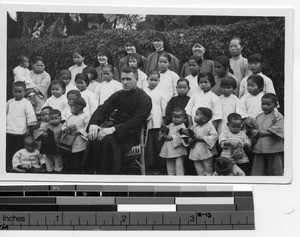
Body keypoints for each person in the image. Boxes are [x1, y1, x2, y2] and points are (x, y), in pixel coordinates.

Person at [82, 67, 152, 174]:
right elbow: (103, 108)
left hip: (131, 135)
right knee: (94, 137)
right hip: (115, 130)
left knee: (107, 141)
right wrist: (94, 123)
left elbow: (136, 122)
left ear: (137, 79)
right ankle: (92, 173)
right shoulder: (119, 95)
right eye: (123, 79)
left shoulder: (144, 99)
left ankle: (108, 175)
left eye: (128, 79)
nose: (124, 82)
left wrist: (112, 130)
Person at [6, 81, 37, 172]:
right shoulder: (10, 102)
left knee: (18, 150)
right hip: (8, 131)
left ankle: (19, 166)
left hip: (20, 132)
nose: (18, 94)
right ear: (12, 91)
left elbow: (31, 116)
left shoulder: (26, 103)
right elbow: (4, 113)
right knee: (8, 149)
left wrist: (29, 131)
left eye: (20, 91)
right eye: (15, 91)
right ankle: (8, 165)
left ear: (24, 92)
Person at [251, 93, 284, 176]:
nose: (265, 106)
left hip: (273, 148)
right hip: (259, 147)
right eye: (263, 104)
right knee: (258, 172)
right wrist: (253, 131)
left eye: (268, 104)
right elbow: (254, 129)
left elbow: (279, 130)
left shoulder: (278, 116)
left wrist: (262, 133)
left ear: (275, 105)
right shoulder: (258, 116)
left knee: (274, 172)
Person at [144, 71, 167, 170]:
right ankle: (149, 164)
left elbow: (164, 108)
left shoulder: (161, 93)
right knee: (147, 142)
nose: (153, 82)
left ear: (159, 81)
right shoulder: (143, 91)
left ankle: (160, 165)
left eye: (155, 80)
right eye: (151, 80)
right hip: (146, 121)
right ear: (147, 80)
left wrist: (163, 121)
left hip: (157, 120)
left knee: (157, 142)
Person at [62, 97, 90, 174]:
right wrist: (65, 129)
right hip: (69, 141)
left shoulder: (86, 117)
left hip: (80, 141)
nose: (70, 109)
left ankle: (79, 171)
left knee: (79, 157)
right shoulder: (70, 116)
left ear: (78, 108)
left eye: (71, 107)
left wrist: (79, 131)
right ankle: (70, 170)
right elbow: (65, 124)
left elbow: (87, 128)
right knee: (70, 157)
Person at [188, 107, 218, 176]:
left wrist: (202, 139)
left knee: (208, 167)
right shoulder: (194, 127)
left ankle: (209, 181)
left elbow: (214, 136)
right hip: (196, 150)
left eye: (197, 115)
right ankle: (201, 180)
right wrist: (189, 138)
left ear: (204, 119)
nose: (194, 117)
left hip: (206, 151)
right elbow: (189, 136)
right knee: (199, 168)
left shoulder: (210, 127)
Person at [159, 107, 187, 176]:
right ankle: (170, 176)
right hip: (169, 149)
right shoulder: (170, 125)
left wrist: (171, 137)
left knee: (178, 165)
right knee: (169, 163)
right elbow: (164, 132)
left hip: (177, 149)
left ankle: (179, 178)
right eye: (174, 117)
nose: (176, 119)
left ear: (183, 119)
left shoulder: (182, 127)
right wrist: (163, 134)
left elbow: (182, 137)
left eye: (179, 117)